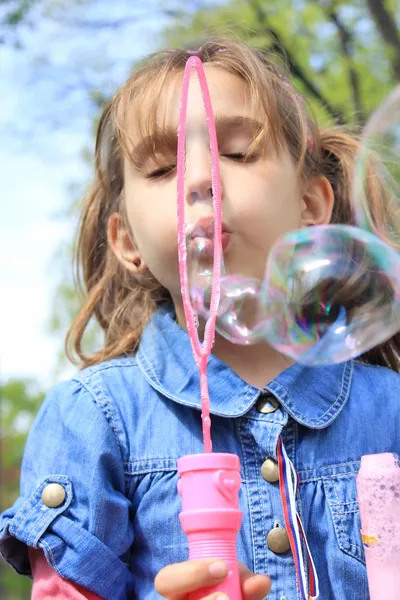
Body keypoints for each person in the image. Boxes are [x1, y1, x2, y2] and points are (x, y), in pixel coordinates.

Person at [1, 36, 399, 600]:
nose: (200, 181)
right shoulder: (93, 420)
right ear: (126, 241)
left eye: (236, 154)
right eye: (163, 168)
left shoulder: (392, 409)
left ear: (312, 206)